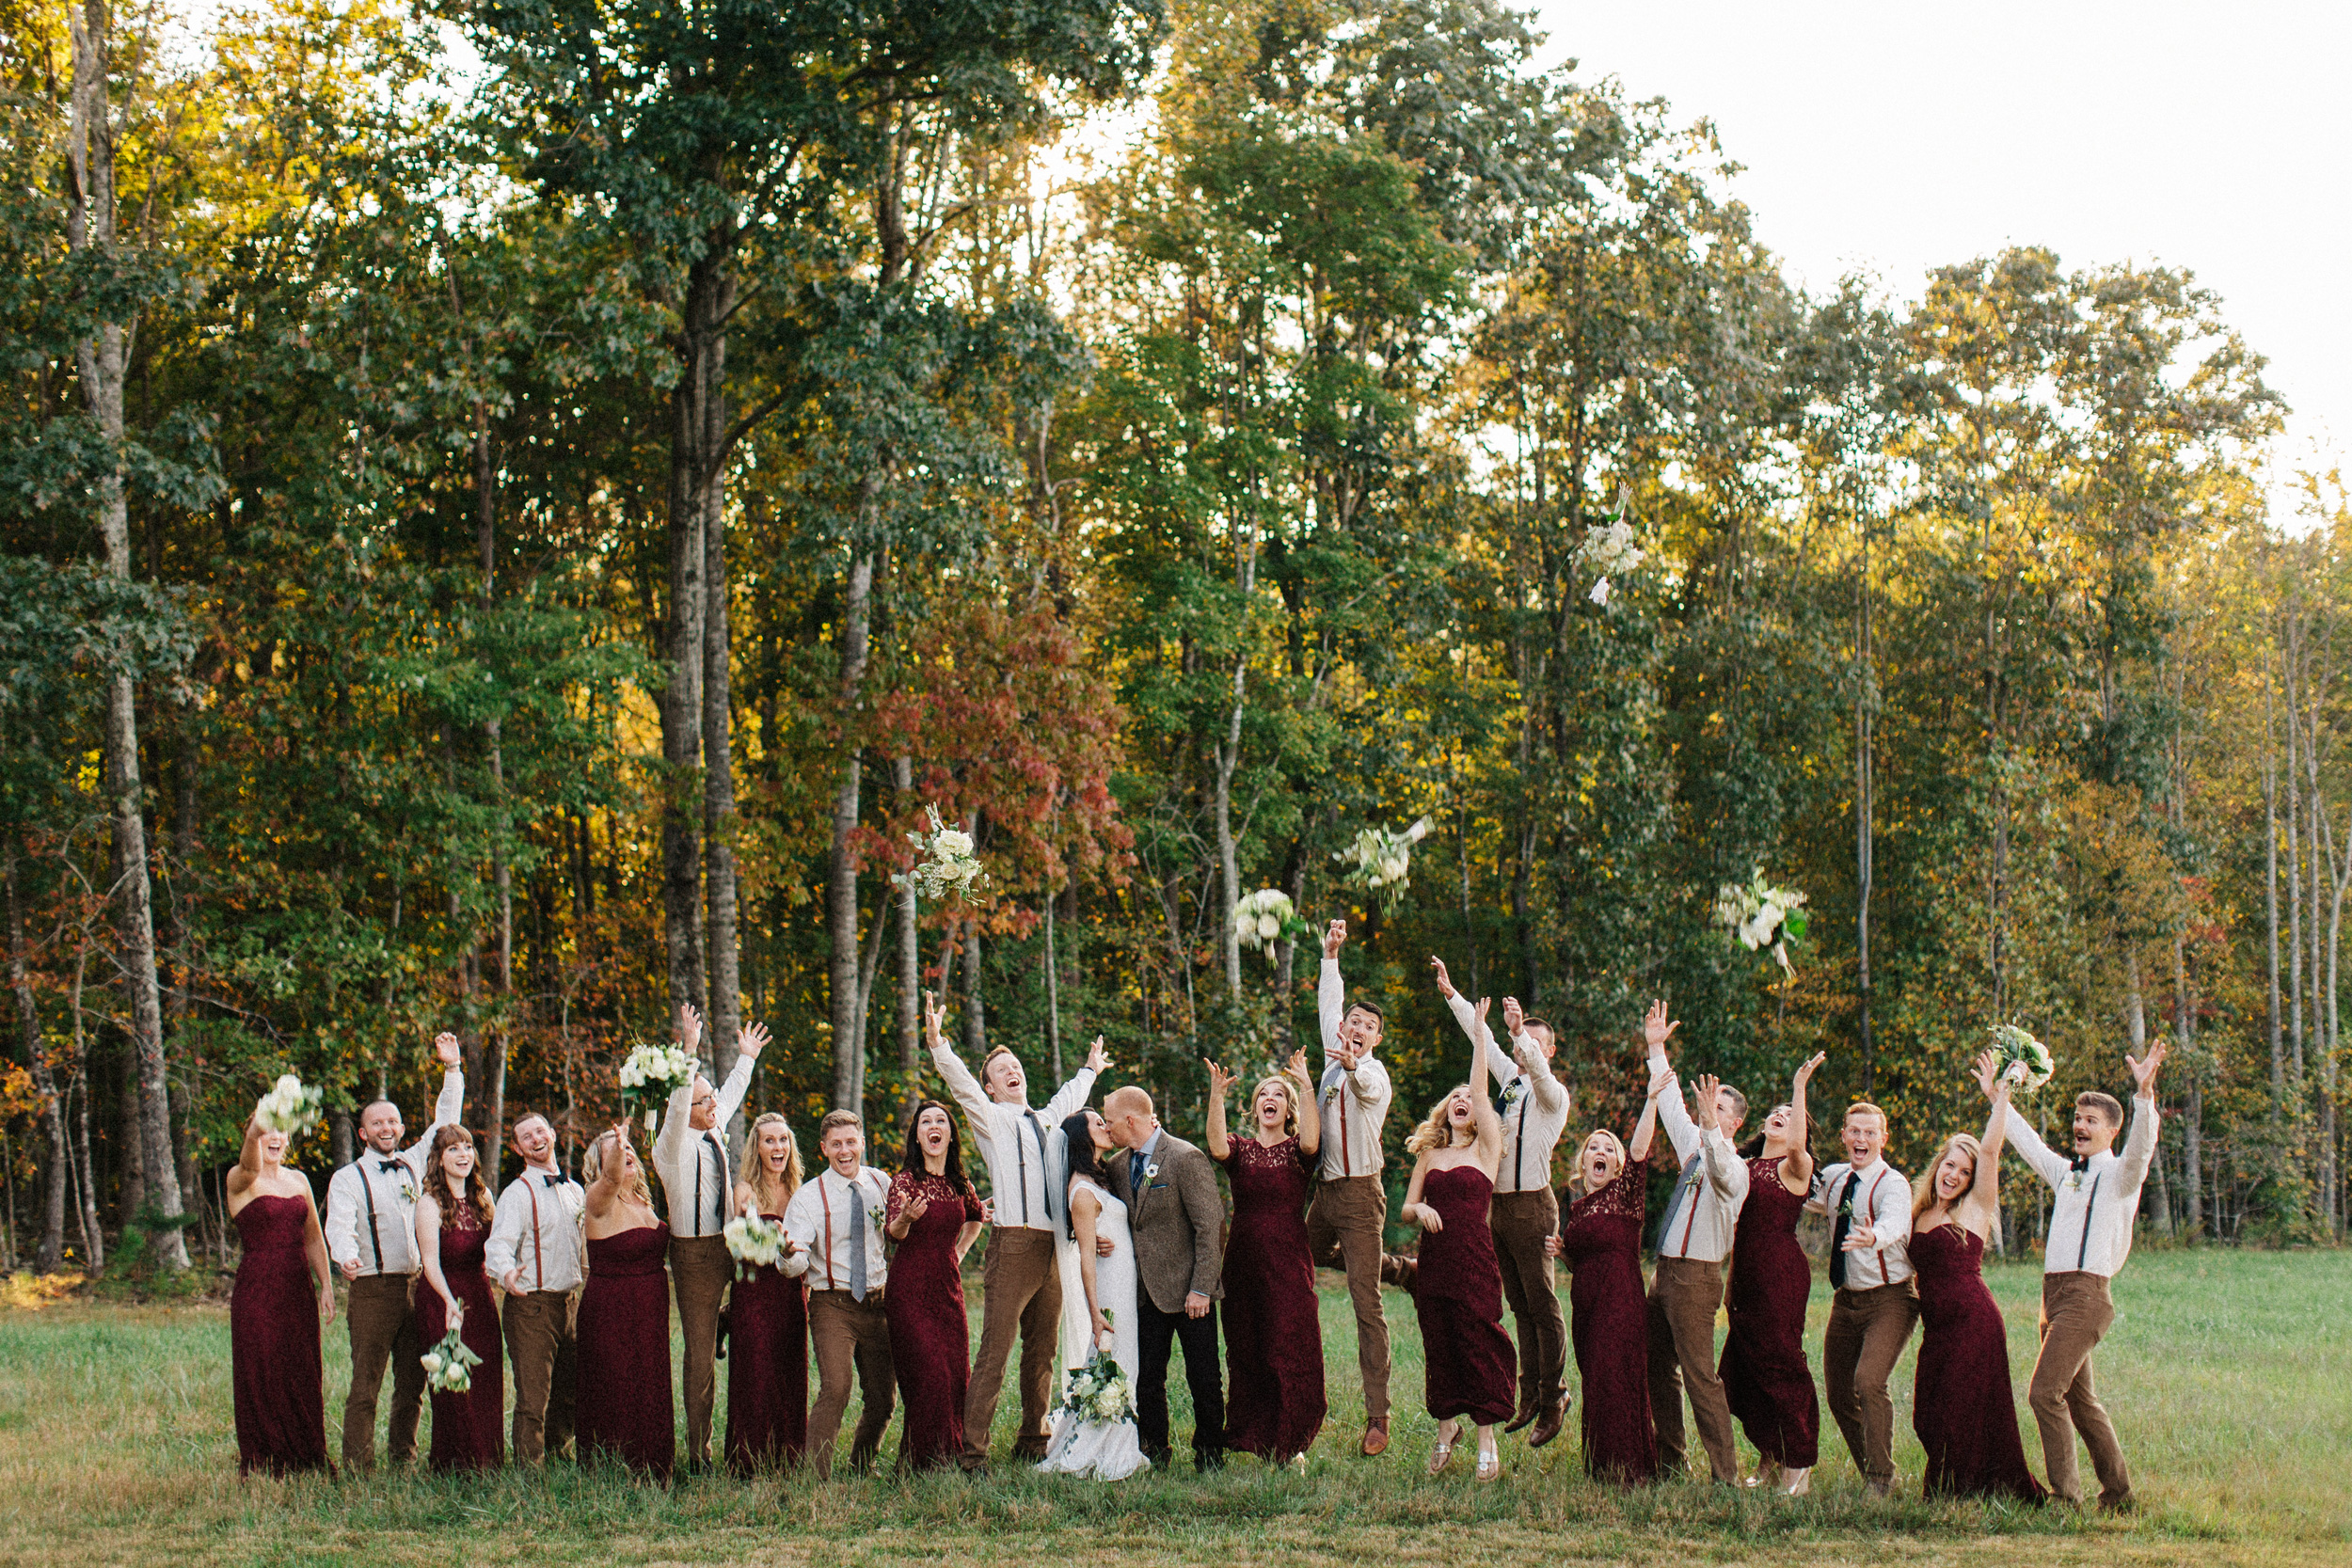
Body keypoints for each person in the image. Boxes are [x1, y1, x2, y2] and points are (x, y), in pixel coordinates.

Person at [929, 990, 1106, 1470]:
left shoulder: (1049, 1120)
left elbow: (1070, 1096)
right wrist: (939, 1046)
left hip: (1054, 1248)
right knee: (996, 1349)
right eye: (1001, 1070)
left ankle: (1034, 1437)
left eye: (1015, 1065)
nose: (1013, 1071)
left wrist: (1090, 1068)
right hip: (1013, 1244)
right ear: (991, 1087)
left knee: (1042, 1349)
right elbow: (961, 1085)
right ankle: (972, 1452)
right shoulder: (992, 1119)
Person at [1994, 1038, 2167, 1510]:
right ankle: (2119, 1494)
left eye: (2091, 1121)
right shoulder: (2068, 1174)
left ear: (2112, 1131)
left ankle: (2064, 1497)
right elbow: (2029, 1145)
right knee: (2081, 1402)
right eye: (2077, 1118)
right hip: (2053, 1297)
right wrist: (1999, 1099)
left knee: (2044, 1393)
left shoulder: (2119, 1177)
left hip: (2088, 1296)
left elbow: (2141, 1150)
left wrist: (2144, 1096)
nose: (2079, 1126)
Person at [1433, 958, 1572, 1448]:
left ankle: (1554, 1396)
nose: (1520, 1049)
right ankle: (1531, 1392)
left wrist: (1522, 1035)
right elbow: (1485, 1043)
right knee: (1518, 1305)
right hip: (1499, 1208)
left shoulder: (1553, 1095)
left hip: (1534, 1206)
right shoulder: (1511, 1085)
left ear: (1548, 1049)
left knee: (1543, 1304)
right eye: (1518, 1044)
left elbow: (1533, 1067)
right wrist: (1454, 995)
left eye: (1532, 1043)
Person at [322, 1030, 463, 1472]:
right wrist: (344, 1256)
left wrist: (453, 1069)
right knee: (366, 1382)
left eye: (393, 1122)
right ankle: (358, 1465)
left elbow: (445, 1121)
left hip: (418, 1286)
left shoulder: (416, 1161)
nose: (386, 1128)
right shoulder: (347, 1178)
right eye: (377, 1123)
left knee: (412, 1379)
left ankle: (403, 1458)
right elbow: (338, 1225)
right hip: (372, 1289)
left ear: (402, 1128)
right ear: (364, 1132)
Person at [1909, 1053, 2043, 1502]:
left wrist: (2001, 1091)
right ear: (1939, 1164)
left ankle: (1959, 1491)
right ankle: (1956, 1484)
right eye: (1950, 1166)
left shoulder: (1974, 1210)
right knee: (1928, 1410)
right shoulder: (1921, 1210)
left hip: (1973, 1321)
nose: (1955, 1175)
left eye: (1964, 1173)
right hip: (1937, 1327)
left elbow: (1989, 1150)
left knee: (1963, 1407)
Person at [1399, 995, 1517, 1481]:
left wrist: (1479, 1031)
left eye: (1468, 1097)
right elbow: (1405, 1208)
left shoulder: (1488, 1147)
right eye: (1455, 1099)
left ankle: (1486, 1436)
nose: (1463, 1101)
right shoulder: (1430, 1156)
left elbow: (1482, 1089)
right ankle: (1447, 1428)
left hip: (1474, 1258)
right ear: (1446, 1112)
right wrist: (1421, 1207)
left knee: (1478, 1340)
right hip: (1435, 1260)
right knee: (1441, 1341)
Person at [652, 1004, 767, 1471]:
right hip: (695, 1255)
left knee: (762, 1313)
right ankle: (698, 1454)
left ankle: (727, 1316)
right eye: (704, 1100)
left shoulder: (713, 1126)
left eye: (710, 1099)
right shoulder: (671, 1145)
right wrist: (689, 1052)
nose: (712, 1103)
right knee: (700, 1359)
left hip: (731, 1244)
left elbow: (731, 1094)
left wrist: (747, 1058)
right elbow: (682, 1104)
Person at [1641, 1000, 1750, 1483]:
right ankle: (1671, 1459)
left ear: (1735, 1123)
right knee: (1657, 1366)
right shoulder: (1693, 1146)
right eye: (1709, 1102)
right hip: (1664, 1271)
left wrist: (1708, 1126)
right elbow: (1669, 1105)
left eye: (1720, 1108)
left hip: (1698, 1277)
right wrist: (1656, 1048)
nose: (1710, 1109)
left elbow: (1721, 1171)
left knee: (1701, 1379)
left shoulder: (1736, 1168)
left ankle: (1725, 1476)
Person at [1202, 1049, 1325, 1466]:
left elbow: (1312, 1139)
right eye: (1262, 1094)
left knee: (1289, 1345)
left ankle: (1292, 1443)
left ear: (1287, 1108)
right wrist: (1216, 1094)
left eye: (1278, 1094)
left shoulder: (1297, 1151)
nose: (1270, 1098)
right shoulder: (1241, 1149)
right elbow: (1216, 1147)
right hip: (1243, 1260)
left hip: (1289, 1258)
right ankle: (1255, 1437)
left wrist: (1305, 1084)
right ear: (1255, 1108)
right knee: (1248, 1347)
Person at [1103, 1085, 1226, 1471]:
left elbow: (1211, 1226)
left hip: (1192, 1293)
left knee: (1203, 1378)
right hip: (1143, 1295)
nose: (1107, 1129)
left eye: (1109, 1122)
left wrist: (1202, 1288)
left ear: (1130, 1120)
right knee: (1147, 1380)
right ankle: (1154, 1453)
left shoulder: (1185, 1157)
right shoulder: (1118, 1166)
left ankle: (1210, 1456)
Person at [1550, 1076, 1667, 1484]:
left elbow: (1640, 1150)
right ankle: (1601, 1467)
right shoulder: (1578, 1207)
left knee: (1617, 1375)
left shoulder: (1625, 1194)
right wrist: (1562, 1252)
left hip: (1620, 1298)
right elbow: (1581, 1259)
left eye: (1608, 1149)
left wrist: (1651, 1098)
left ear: (1616, 1164)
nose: (1600, 1152)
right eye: (1592, 1148)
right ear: (1583, 1163)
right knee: (1597, 1378)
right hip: (1586, 1301)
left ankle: (1631, 1470)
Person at [1311, 917, 1397, 1456]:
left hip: (1363, 1197)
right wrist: (1331, 955)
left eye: (1368, 1025)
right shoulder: (1329, 1054)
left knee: (1367, 1303)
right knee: (1297, 1264)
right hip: (1324, 1196)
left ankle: (1378, 1417)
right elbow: (1328, 1006)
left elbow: (1366, 1085)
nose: (1357, 1028)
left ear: (1376, 1038)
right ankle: (1383, 1261)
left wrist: (1355, 1064)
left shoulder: (1375, 1073)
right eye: (1353, 1021)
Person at [1721, 1052, 1825, 1495]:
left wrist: (1800, 1086)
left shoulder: (1795, 1168)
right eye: (1775, 1113)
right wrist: (1729, 1284)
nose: (1781, 1116)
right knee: (1742, 1370)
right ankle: (1769, 1455)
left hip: (1779, 1275)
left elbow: (1799, 1147)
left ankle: (1797, 1464)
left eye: (1790, 1114)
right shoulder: (1744, 1167)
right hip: (1743, 1275)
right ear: (1761, 1125)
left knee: (1780, 1365)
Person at [1806, 1099, 1918, 1495]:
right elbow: (1798, 1188)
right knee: (1838, 1394)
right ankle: (1869, 1468)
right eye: (1854, 1131)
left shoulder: (1893, 1183)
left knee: (1869, 1381)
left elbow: (1896, 1221)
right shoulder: (1836, 1177)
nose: (1861, 1139)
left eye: (1870, 1133)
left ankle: (1881, 1480)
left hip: (1891, 1298)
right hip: (1847, 1299)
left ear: (1883, 1139)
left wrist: (1874, 1235)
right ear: (1843, 1136)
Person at [782, 1109, 897, 1478]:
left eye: (851, 1142)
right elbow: (795, 1263)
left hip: (879, 1302)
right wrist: (787, 1255)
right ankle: (816, 1476)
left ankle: (862, 1465)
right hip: (834, 1303)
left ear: (862, 1143)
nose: (844, 1151)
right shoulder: (808, 1197)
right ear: (823, 1149)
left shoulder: (882, 1183)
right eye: (836, 1145)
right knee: (836, 1388)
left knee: (882, 1398)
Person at [227, 1094, 336, 1477]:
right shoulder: (240, 1178)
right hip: (258, 1287)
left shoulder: (299, 1180)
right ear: (252, 1134)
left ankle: (306, 1455)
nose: (274, 1137)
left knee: (301, 1367)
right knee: (262, 1367)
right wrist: (259, 1123)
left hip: (296, 1287)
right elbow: (249, 1163)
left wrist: (326, 1285)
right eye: (265, 1130)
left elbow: (313, 1239)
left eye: (281, 1131)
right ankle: (264, 1458)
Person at [1038, 1108, 1149, 1481]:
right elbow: (1086, 1256)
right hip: (1108, 1289)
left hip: (1123, 1279)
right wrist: (1095, 1312)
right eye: (1097, 1123)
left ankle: (1118, 1438)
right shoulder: (1082, 1190)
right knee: (1112, 1360)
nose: (1105, 1125)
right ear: (1082, 1138)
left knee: (1123, 1360)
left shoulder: (1099, 1179)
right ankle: (1098, 1446)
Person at [885, 1092, 991, 1472]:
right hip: (909, 1291)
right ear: (917, 1135)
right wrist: (906, 1220)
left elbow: (977, 1217)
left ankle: (954, 1455)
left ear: (950, 1136)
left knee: (954, 1374)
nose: (933, 1127)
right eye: (926, 1122)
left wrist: (959, 1251)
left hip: (949, 1291)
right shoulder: (904, 1182)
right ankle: (922, 1462)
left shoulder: (959, 1182)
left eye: (941, 1122)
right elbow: (893, 1233)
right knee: (928, 1374)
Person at [575, 1121, 675, 1477]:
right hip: (611, 1308)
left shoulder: (645, 1201)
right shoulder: (598, 1199)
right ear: (600, 1166)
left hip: (649, 1309)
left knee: (649, 1384)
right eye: (616, 1150)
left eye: (630, 1147)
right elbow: (613, 1179)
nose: (626, 1151)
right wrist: (616, 1147)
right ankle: (613, 1469)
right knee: (616, 1386)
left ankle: (655, 1467)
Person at [485, 1110, 584, 1465]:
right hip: (531, 1305)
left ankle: (559, 1454)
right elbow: (498, 1245)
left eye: (540, 1131)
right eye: (526, 1136)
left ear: (553, 1134)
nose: (536, 1139)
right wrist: (507, 1274)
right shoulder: (517, 1193)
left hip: (570, 1302)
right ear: (517, 1148)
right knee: (533, 1396)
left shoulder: (575, 1190)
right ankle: (529, 1467)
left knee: (568, 1389)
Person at [414, 1123, 502, 1472]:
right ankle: (456, 1463)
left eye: (467, 1146)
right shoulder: (429, 1204)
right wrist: (450, 1303)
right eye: (453, 1149)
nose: (463, 1154)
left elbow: (497, 1249)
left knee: (485, 1377)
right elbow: (430, 1262)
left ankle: (488, 1461)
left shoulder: (484, 1198)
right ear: (438, 1159)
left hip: (479, 1296)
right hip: (442, 1297)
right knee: (453, 1380)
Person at [726, 1110, 809, 1474]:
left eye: (784, 1140)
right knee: (755, 1372)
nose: (778, 1147)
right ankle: (748, 1459)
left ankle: (788, 1456)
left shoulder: (800, 1191)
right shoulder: (745, 1190)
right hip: (755, 1292)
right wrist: (752, 1225)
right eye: (770, 1140)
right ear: (757, 1148)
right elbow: (742, 1245)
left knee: (789, 1371)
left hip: (791, 1292)